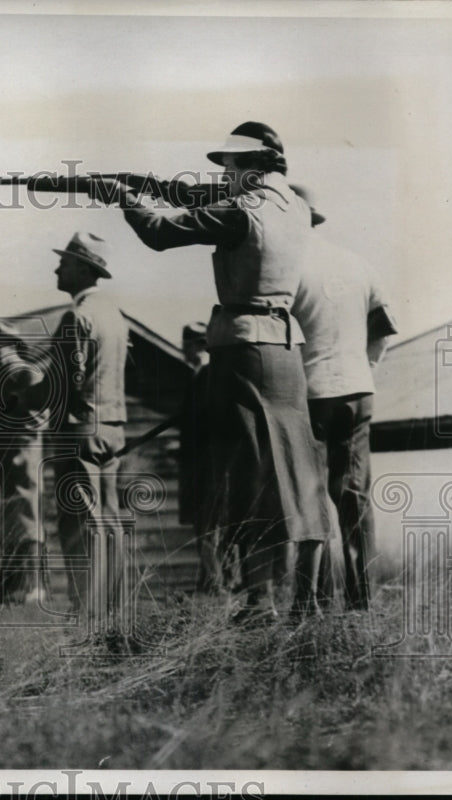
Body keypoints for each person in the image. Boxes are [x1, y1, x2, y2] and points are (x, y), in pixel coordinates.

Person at [92, 121, 333, 622]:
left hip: (244, 348)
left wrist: (122, 195)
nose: (223, 177)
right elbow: (197, 196)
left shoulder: (242, 210)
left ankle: (259, 600)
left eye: (228, 167)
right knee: (295, 474)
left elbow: (159, 234)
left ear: (249, 167)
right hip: (285, 350)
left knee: (247, 474)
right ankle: (306, 599)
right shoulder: (291, 205)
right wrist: (153, 185)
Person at [290, 184, 398, 611]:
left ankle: (312, 600)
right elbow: (383, 328)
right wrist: (364, 367)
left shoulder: (283, 266)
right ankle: (360, 599)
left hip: (307, 392)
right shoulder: (357, 263)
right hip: (356, 390)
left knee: (309, 495)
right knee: (354, 498)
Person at [46, 232, 130, 637]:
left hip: (78, 431)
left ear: (83, 268)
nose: (57, 269)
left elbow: (65, 383)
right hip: (112, 429)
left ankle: (88, 617)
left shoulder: (76, 317)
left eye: (64, 262)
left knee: (81, 525)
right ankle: (111, 611)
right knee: (109, 521)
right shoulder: (115, 314)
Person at [0, 321, 51, 606]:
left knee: (26, 521)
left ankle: (31, 588)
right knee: (8, 524)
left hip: (23, 457)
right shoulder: (0, 379)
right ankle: (9, 586)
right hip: (3, 461)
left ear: (12, 346)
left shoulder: (27, 374)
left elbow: (34, 421)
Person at [178, 321, 230, 595]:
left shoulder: (209, 376)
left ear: (198, 345)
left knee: (209, 529)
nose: (182, 350)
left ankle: (216, 585)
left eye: (186, 344)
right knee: (206, 528)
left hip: (210, 467)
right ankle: (210, 583)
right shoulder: (198, 376)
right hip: (199, 466)